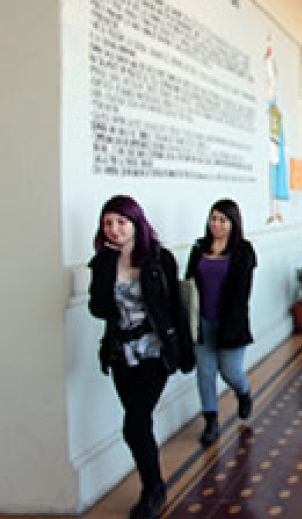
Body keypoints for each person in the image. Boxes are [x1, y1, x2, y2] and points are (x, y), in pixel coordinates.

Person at [88, 195, 195, 519]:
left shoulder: (159, 259)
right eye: (108, 223)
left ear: (136, 223)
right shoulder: (102, 262)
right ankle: (154, 485)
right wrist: (107, 264)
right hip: (121, 354)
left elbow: (176, 307)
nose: (115, 229)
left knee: (133, 424)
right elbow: (99, 309)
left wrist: (186, 352)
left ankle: (153, 489)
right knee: (140, 422)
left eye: (122, 222)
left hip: (153, 351)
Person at [185, 199, 257, 446]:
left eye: (222, 220)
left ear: (233, 223)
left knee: (230, 371)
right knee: (205, 373)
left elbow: (242, 293)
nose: (216, 224)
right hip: (202, 322)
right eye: (213, 218)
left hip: (231, 323)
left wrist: (231, 325)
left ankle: (243, 392)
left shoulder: (243, 251)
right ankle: (211, 422)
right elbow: (189, 282)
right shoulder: (199, 247)